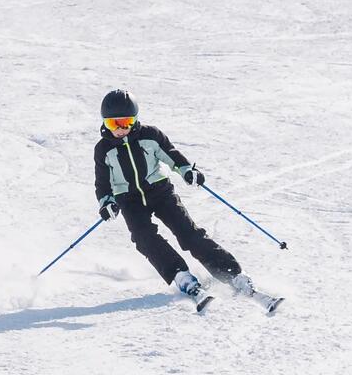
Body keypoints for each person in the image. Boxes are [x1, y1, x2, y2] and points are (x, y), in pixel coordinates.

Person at [94, 89, 265, 307]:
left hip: (160, 192)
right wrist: (106, 203)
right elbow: (102, 183)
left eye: (126, 122)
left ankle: (233, 274)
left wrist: (187, 171)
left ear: (135, 119)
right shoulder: (103, 149)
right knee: (144, 239)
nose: (120, 129)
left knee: (188, 233)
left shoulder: (150, 136)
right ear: (105, 123)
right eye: (113, 124)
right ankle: (181, 276)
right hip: (129, 201)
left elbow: (172, 155)